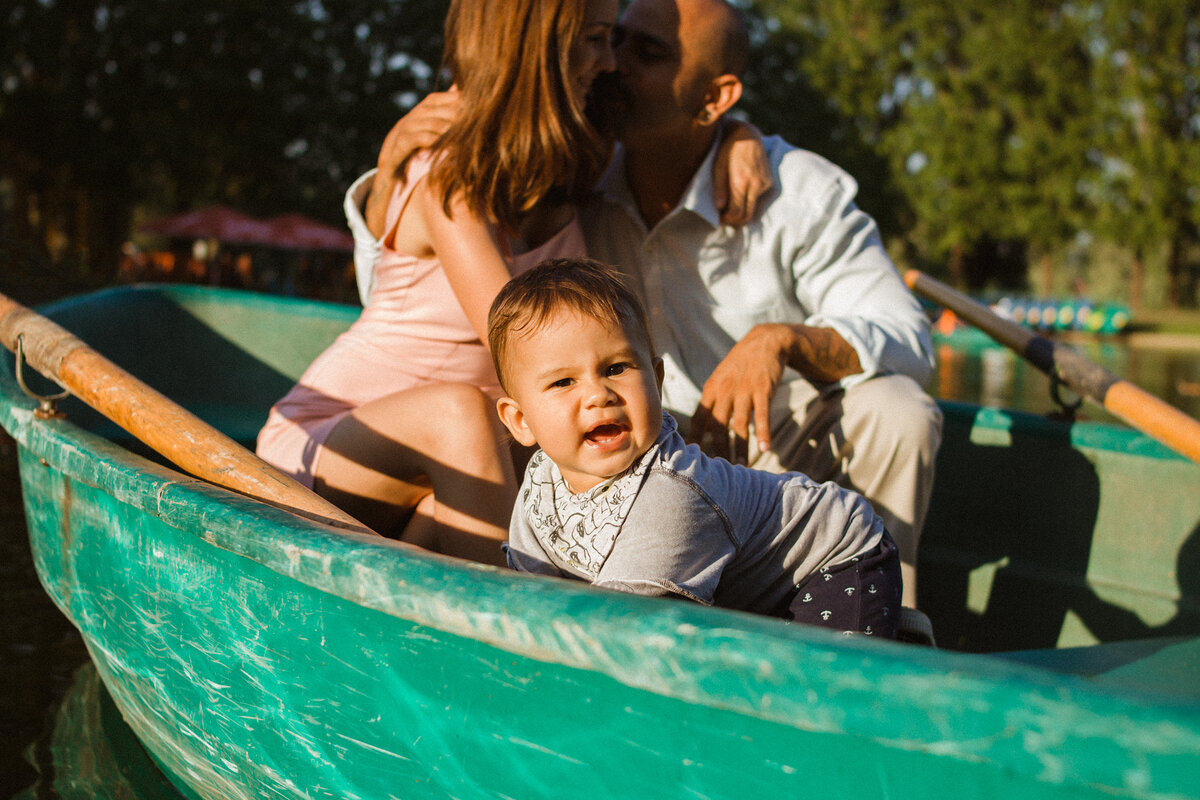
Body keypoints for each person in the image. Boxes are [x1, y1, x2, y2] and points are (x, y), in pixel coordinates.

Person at [347, 0, 940, 609]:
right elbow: (415, 287)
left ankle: (885, 621)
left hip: (765, 455)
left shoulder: (794, 190)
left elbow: (910, 338)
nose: (613, 65)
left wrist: (781, 340)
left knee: (898, 408)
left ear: (715, 99)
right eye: (613, 40)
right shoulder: (577, 176)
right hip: (614, 446)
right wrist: (388, 180)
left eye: (647, 54)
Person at [256, 0, 620, 564]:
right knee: (467, 411)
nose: (610, 61)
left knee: (507, 455)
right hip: (325, 445)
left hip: (455, 463)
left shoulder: (560, 174)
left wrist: (737, 139)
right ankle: (510, 630)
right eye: (595, 39)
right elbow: (521, 345)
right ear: (537, 50)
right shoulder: (447, 178)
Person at [488, 258, 902, 636]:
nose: (599, 394)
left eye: (616, 368)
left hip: (836, 561)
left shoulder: (670, 497)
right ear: (521, 421)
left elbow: (619, 633)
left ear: (657, 378)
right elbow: (531, 589)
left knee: (821, 695)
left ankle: (896, 642)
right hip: (740, 587)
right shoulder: (541, 481)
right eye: (563, 382)